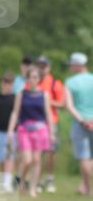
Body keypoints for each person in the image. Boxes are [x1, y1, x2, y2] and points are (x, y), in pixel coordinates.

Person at [7, 65, 55, 197]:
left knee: (37, 160)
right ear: (26, 79)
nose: (32, 80)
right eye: (30, 77)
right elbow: (15, 113)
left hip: (40, 130)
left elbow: (48, 114)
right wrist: (10, 131)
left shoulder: (44, 95)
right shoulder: (21, 94)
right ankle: (20, 180)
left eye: (35, 77)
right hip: (24, 130)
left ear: (39, 79)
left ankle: (33, 188)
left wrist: (52, 132)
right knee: (27, 160)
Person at [63, 52, 93, 196]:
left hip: (80, 123)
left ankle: (88, 188)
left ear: (76, 65)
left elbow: (69, 105)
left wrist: (82, 121)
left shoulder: (70, 82)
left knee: (84, 157)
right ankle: (85, 186)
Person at [34, 55, 65, 193]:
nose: (41, 68)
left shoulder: (55, 83)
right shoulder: (32, 82)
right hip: (36, 122)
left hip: (51, 121)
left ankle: (50, 178)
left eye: (44, 66)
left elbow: (62, 103)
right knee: (37, 153)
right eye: (39, 65)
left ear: (49, 67)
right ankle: (38, 181)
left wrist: (46, 101)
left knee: (51, 153)